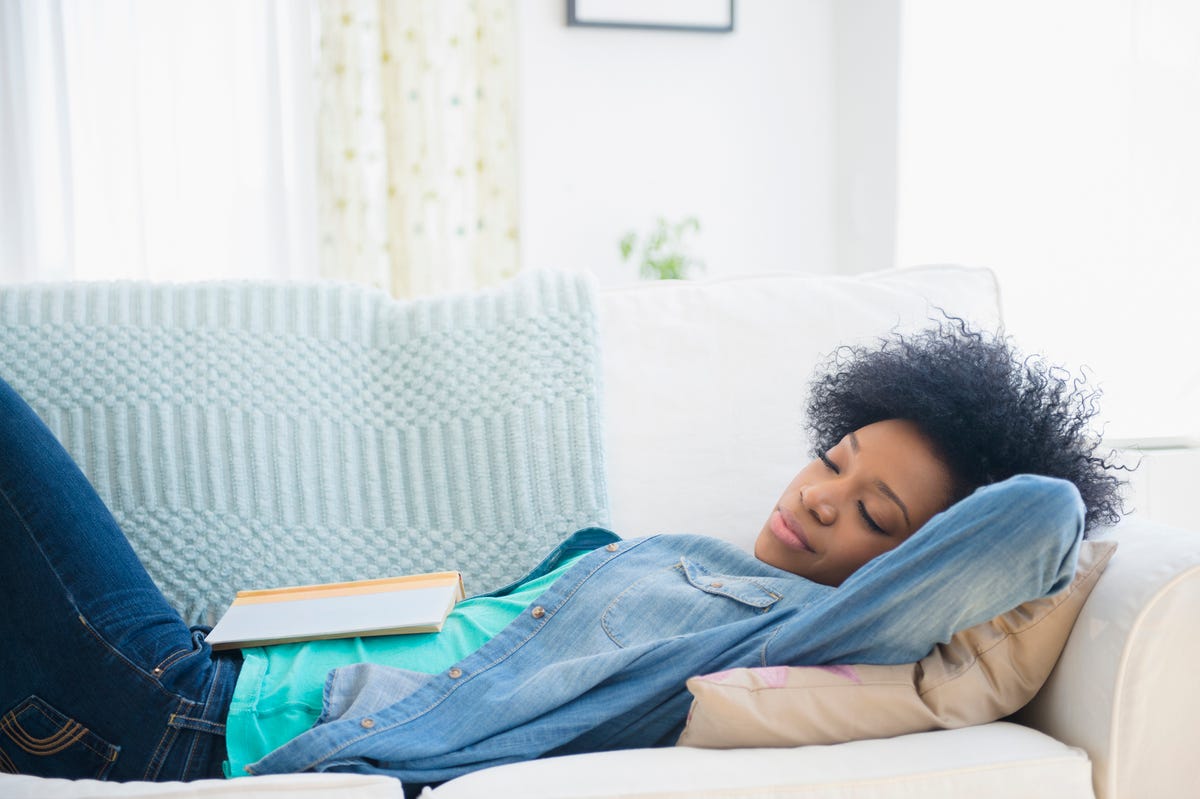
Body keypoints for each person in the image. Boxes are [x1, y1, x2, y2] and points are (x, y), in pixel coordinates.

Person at [0, 319, 1123, 790]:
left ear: (913, 574)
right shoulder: (693, 557)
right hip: (205, 665)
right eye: (834, 458)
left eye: (876, 517)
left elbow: (1035, 518)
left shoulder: (798, 641)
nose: (823, 500)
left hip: (184, 717)